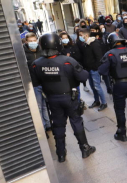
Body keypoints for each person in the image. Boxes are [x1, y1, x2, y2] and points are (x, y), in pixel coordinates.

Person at [30, 33, 96, 162]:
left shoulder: (36, 64)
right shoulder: (67, 61)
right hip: (69, 98)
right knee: (76, 121)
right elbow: (83, 77)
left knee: (58, 125)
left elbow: (36, 83)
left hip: (52, 99)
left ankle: (60, 153)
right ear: (58, 43)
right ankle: (85, 148)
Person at [98, 33, 127, 141]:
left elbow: (101, 70)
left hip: (118, 85)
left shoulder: (110, 54)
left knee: (119, 109)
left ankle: (122, 133)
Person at [23, 32, 51, 133]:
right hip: (34, 83)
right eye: (30, 41)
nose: (32, 43)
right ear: (26, 42)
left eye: (34, 40)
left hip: (44, 82)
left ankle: (48, 124)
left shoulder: (42, 50)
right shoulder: (23, 53)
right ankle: (42, 126)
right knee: (38, 106)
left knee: (45, 105)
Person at [78, 28, 107, 111]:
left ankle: (104, 103)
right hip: (88, 69)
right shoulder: (85, 44)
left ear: (86, 35)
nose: (80, 37)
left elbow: (99, 57)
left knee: (97, 86)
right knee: (92, 86)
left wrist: (95, 68)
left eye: (81, 35)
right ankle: (97, 101)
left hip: (94, 69)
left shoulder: (94, 44)